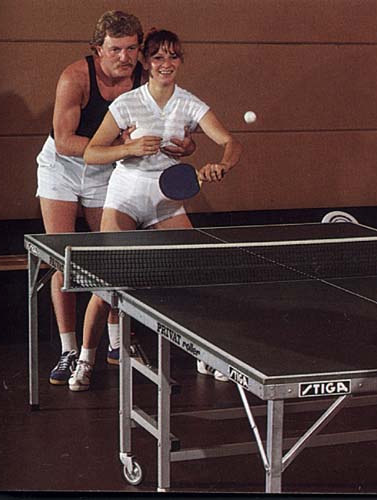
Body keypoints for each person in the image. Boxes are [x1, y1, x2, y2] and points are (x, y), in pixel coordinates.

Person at [68, 29, 243, 391]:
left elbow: (230, 141)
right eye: (159, 57)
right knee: (107, 282)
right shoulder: (127, 104)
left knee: (195, 273)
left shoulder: (189, 103)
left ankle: (205, 355)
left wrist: (221, 165)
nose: (166, 64)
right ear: (146, 62)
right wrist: (128, 149)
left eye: (173, 57)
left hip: (166, 201)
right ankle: (85, 359)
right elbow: (91, 153)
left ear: (180, 61)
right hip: (126, 195)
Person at [37, 11, 196, 386]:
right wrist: (122, 147)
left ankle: (116, 342)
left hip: (109, 167)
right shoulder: (75, 77)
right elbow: (65, 141)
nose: (124, 57)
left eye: (131, 49)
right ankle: (69, 350)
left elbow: (177, 126)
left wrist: (187, 146)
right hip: (62, 167)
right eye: (115, 49)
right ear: (98, 49)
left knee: (113, 260)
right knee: (64, 257)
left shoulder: (146, 75)